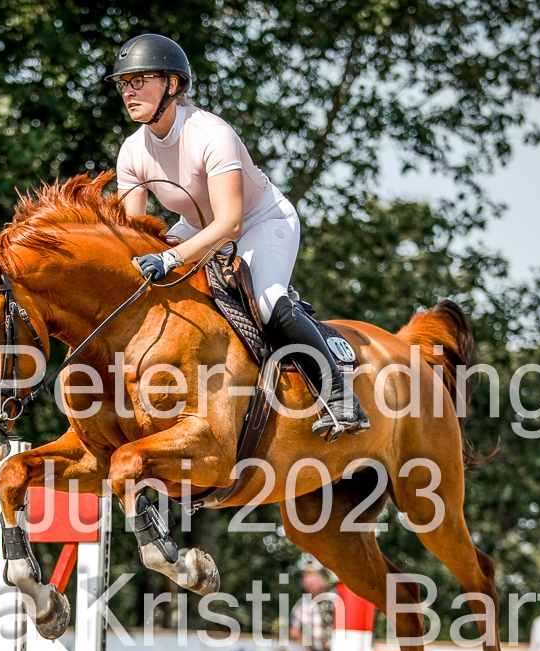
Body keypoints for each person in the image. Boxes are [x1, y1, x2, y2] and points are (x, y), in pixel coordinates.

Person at [107, 33, 369, 442]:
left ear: (172, 84)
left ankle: (340, 398)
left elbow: (229, 225)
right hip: (196, 226)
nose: (128, 91)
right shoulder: (131, 151)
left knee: (266, 300)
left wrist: (170, 258)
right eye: (124, 83)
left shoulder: (211, 133)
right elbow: (132, 232)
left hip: (260, 221)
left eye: (139, 80)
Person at [288, 564, 335, 651]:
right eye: (308, 583)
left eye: (313, 582)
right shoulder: (302, 604)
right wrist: (306, 640)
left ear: (322, 581)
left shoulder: (333, 600)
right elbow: (293, 631)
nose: (310, 585)